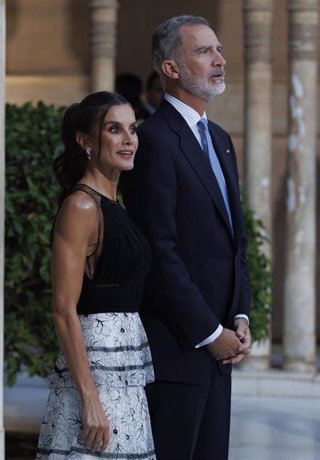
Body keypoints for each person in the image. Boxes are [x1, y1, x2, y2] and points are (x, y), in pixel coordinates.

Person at [121, 15, 252, 460]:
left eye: (218, 50)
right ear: (171, 68)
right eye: (204, 52)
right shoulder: (154, 142)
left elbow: (236, 241)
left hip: (221, 348)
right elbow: (160, 252)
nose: (220, 60)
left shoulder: (219, 138)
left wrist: (240, 316)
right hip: (178, 349)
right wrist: (208, 331)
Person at [36, 91, 156, 460]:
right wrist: (89, 398)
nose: (128, 140)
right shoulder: (81, 206)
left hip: (125, 372)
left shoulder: (115, 206)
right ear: (85, 141)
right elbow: (62, 309)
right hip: (96, 375)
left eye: (132, 129)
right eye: (114, 129)